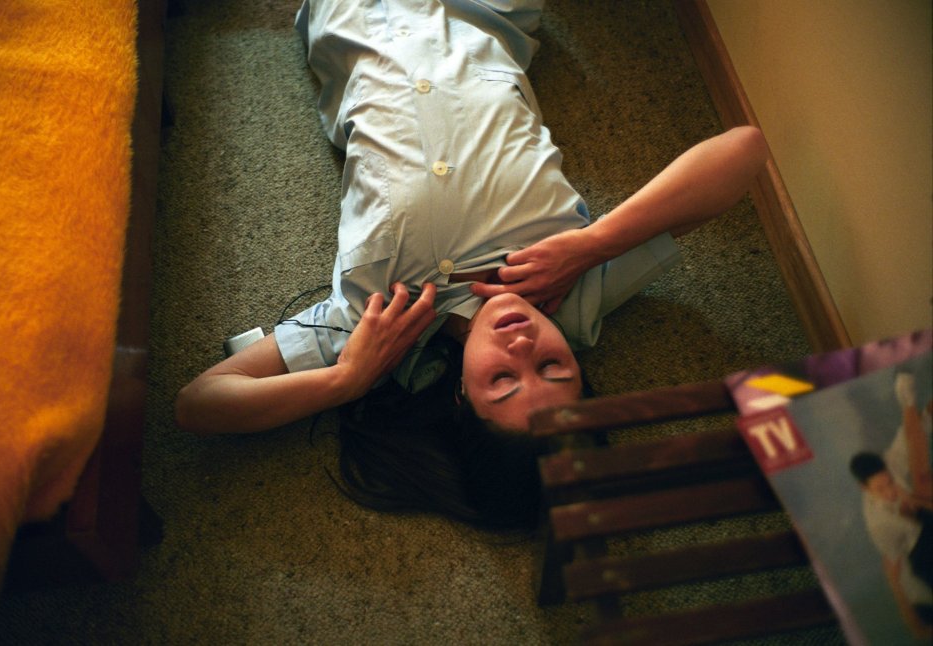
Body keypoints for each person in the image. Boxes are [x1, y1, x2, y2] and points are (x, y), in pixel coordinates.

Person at [175, 0, 768, 528]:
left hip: (356, 18)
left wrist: (345, 380)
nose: (523, 345)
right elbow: (744, 151)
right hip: (485, 15)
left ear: (460, 394)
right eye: (554, 367)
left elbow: (200, 403)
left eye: (503, 381)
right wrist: (591, 245)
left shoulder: (376, 331)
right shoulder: (578, 293)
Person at [849, 372, 932, 636]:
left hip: (924, 529)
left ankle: (907, 401)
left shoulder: (889, 465)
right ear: (865, 489)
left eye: (888, 483)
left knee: (920, 469)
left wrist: (917, 411)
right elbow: (896, 570)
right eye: (880, 489)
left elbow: (915, 433)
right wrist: (913, 502)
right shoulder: (879, 525)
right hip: (922, 555)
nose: (889, 492)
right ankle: (907, 402)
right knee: (922, 485)